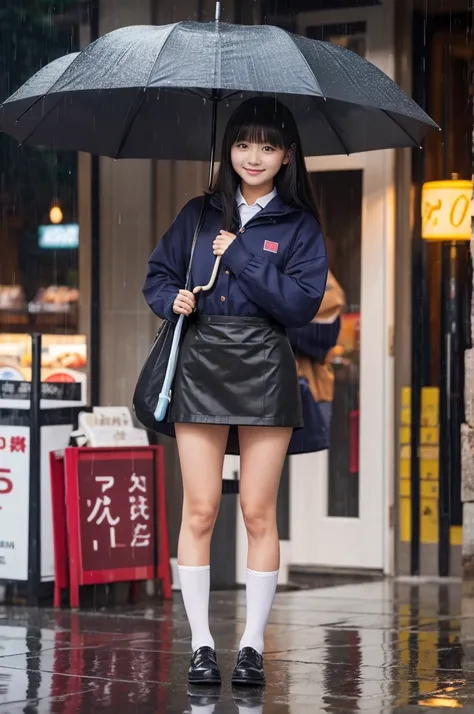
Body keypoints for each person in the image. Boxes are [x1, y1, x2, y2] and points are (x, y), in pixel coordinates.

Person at [143, 97, 328, 688]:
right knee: (199, 508)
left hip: (265, 365)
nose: (254, 156)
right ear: (229, 149)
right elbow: (158, 274)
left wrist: (243, 255)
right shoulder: (199, 214)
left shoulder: (299, 226)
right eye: (244, 143)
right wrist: (172, 298)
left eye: (268, 146)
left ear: (287, 156)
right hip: (201, 360)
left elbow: (300, 306)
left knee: (256, 511)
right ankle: (201, 644)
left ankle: (250, 646)